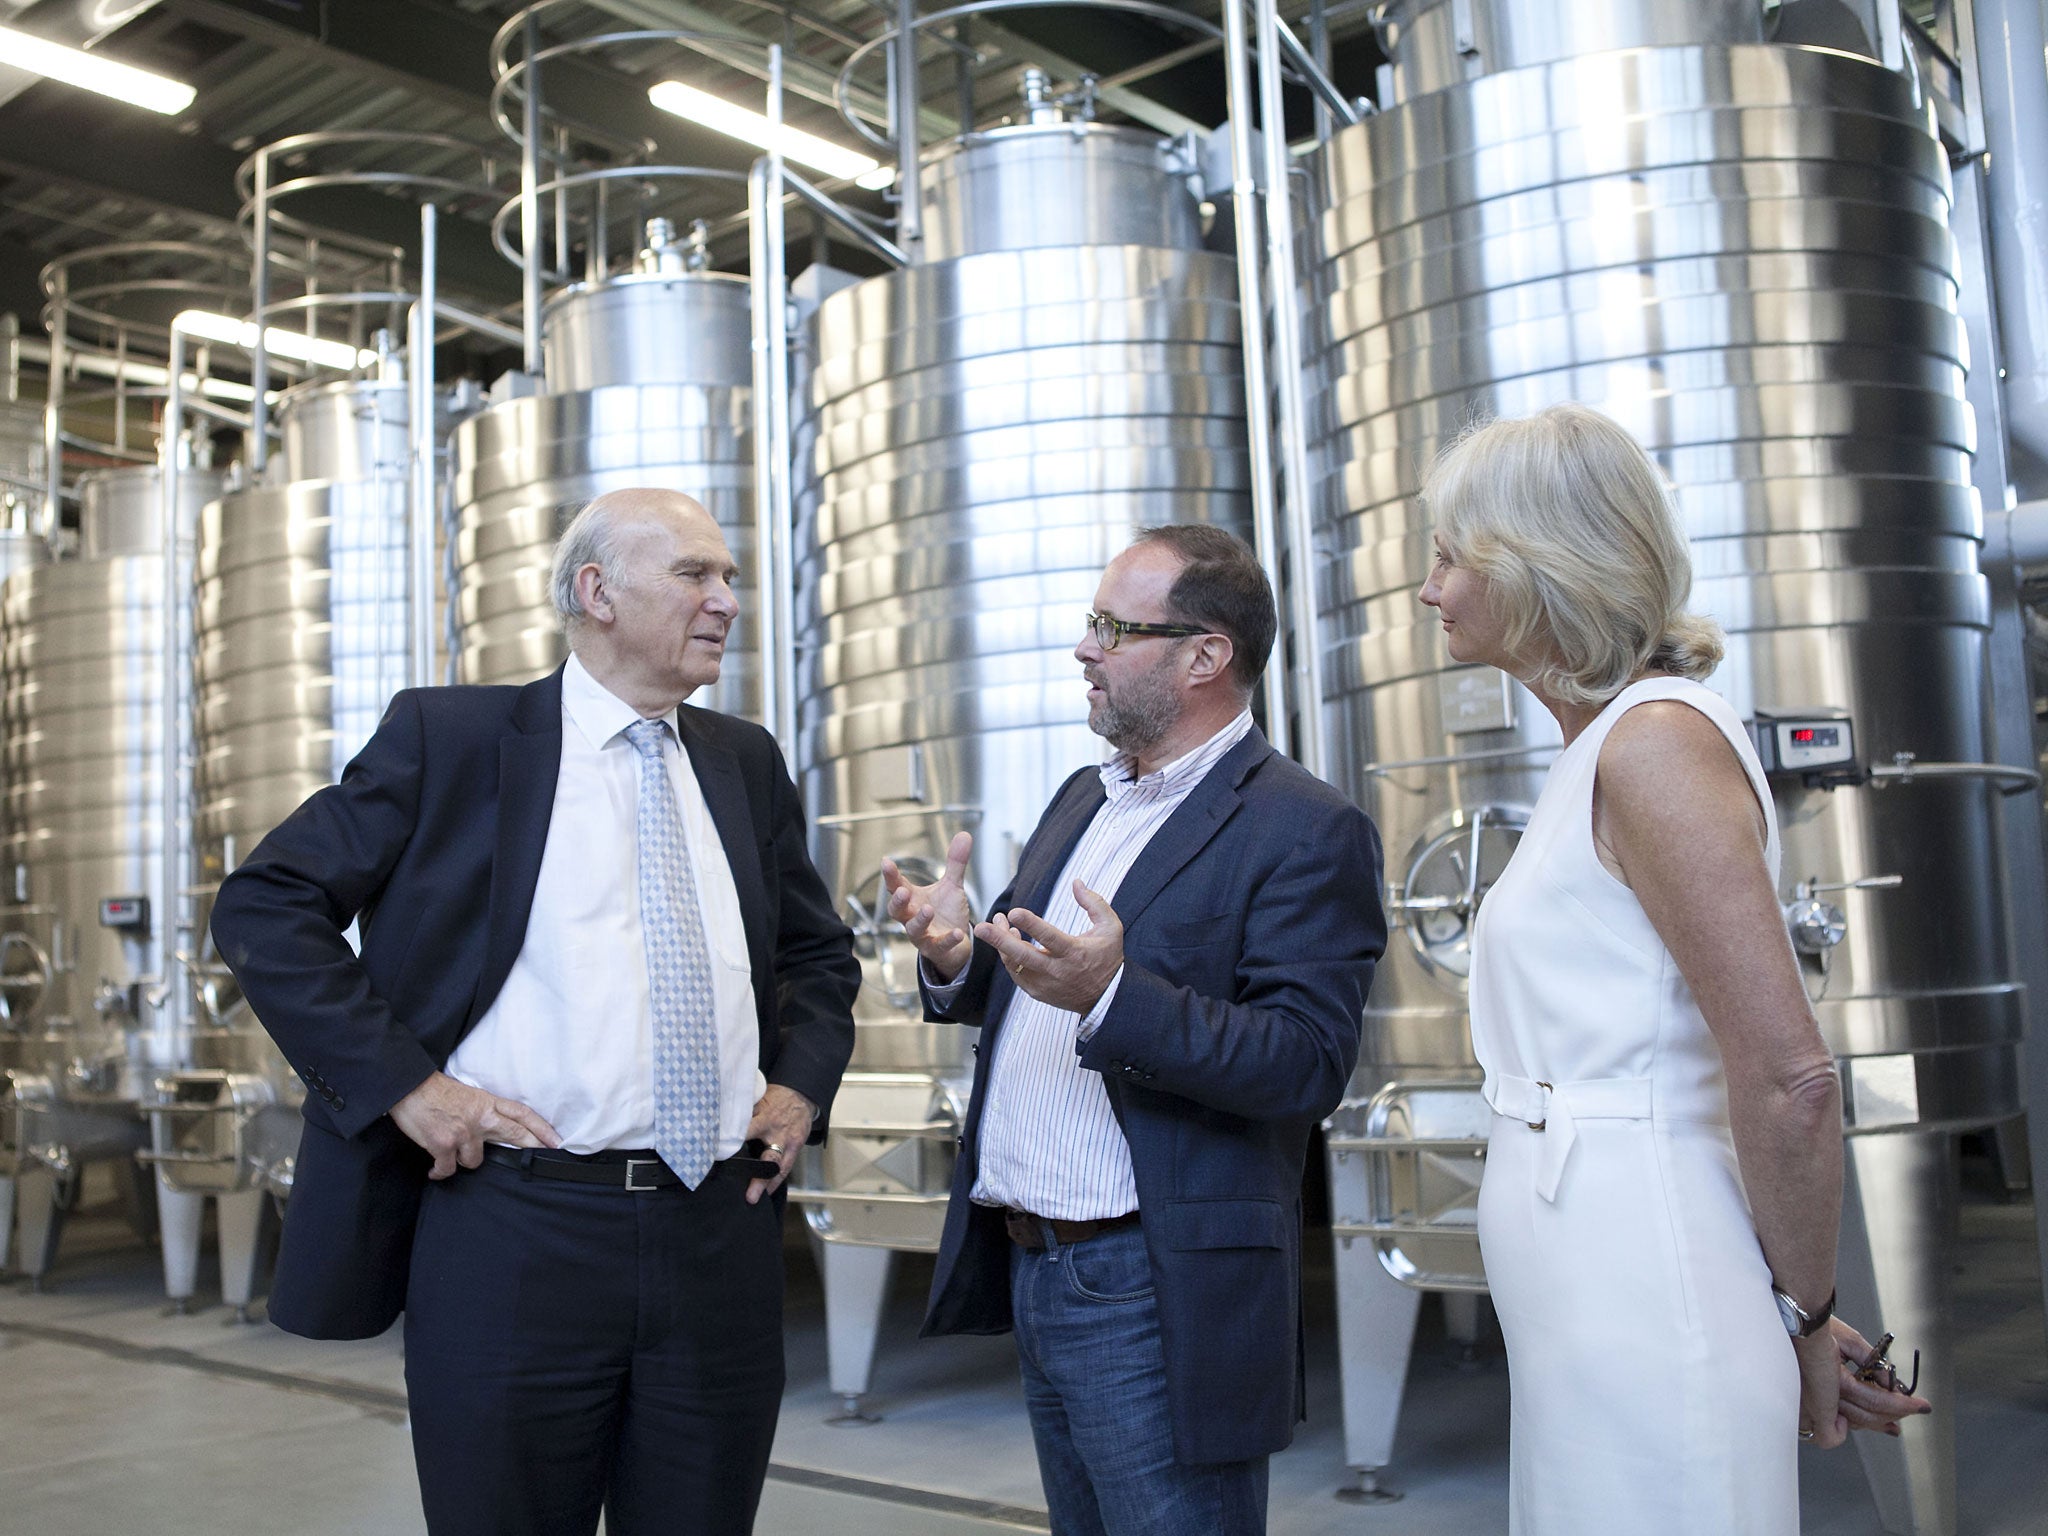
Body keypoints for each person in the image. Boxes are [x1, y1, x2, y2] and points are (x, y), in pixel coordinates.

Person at [210, 487, 859, 1536]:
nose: (727, 600)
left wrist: (797, 1088)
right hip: (515, 1235)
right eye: (696, 573)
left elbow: (816, 956)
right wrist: (405, 1087)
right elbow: (265, 904)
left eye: (730, 576)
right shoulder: (454, 739)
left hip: (718, 1239)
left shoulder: (742, 761)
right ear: (595, 591)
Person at [1416, 405, 1932, 1533]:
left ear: (1533, 565)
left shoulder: (1652, 744)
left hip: (1643, 1285)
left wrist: (1798, 1313)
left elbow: (1787, 1074)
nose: (1427, 588)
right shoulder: (1598, 748)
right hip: (1606, 1287)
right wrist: (1772, 1298)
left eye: (1448, 557)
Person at [882, 524, 1386, 1536]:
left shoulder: (1300, 827)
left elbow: (1304, 1063)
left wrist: (1117, 998)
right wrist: (953, 959)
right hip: (1036, 1264)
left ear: (1204, 656)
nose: (1084, 649)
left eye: (1114, 627)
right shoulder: (1085, 797)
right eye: (1089, 623)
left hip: (1153, 1286)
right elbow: (1038, 983)